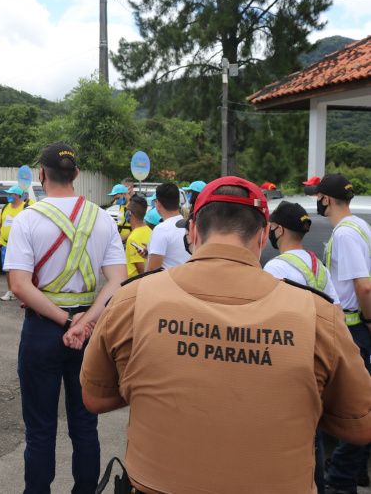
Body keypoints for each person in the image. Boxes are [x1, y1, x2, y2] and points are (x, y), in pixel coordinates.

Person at [80, 176, 371, 493]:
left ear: (192, 233)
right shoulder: (319, 315)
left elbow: (95, 397)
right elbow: (359, 425)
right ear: (262, 238)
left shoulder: (132, 300)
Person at [4, 142, 127, 494]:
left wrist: (64, 321)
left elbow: (18, 284)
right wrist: (85, 322)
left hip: (44, 330)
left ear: (41, 175)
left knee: (40, 429)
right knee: (85, 426)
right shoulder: (102, 217)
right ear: (76, 175)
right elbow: (118, 279)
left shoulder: (27, 218)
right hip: (90, 333)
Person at [261, 199, 341, 493]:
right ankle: (316, 485)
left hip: (288, 364)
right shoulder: (316, 264)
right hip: (317, 359)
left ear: (279, 230)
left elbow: (270, 321)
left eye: (271, 226)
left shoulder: (276, 267)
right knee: (313, 433)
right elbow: (337, 312)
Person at [314, 173, 371, 494]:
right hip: (357, 328)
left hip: (352, 329)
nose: (317, 201)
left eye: (318, 196)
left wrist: (368, 320)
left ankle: (339, 482)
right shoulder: (359, 225)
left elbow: (363, 285)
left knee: (350, 412)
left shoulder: (346, 234)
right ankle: (355, 473)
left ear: (327, 199)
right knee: (361, 406)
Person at [146, 182, 190, 271]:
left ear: (158, 203)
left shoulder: (162, 229)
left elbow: (152, 270)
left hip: (168, 282)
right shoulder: (189, 225)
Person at [0, 185, 26, 301]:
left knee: (22, 268)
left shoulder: (26, 207)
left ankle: (23, 292)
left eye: (10, 194)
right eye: (8, 194)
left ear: (17, 195)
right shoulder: (5, 207)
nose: (8, 196)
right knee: (7, 269)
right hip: (6, 244)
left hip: (21, 245)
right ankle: (11, 291)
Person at [124, 197, 151, 278]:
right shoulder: (150, 231)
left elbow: (141, 272)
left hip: (134, 283)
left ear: (129, 213)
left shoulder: (132, 239)